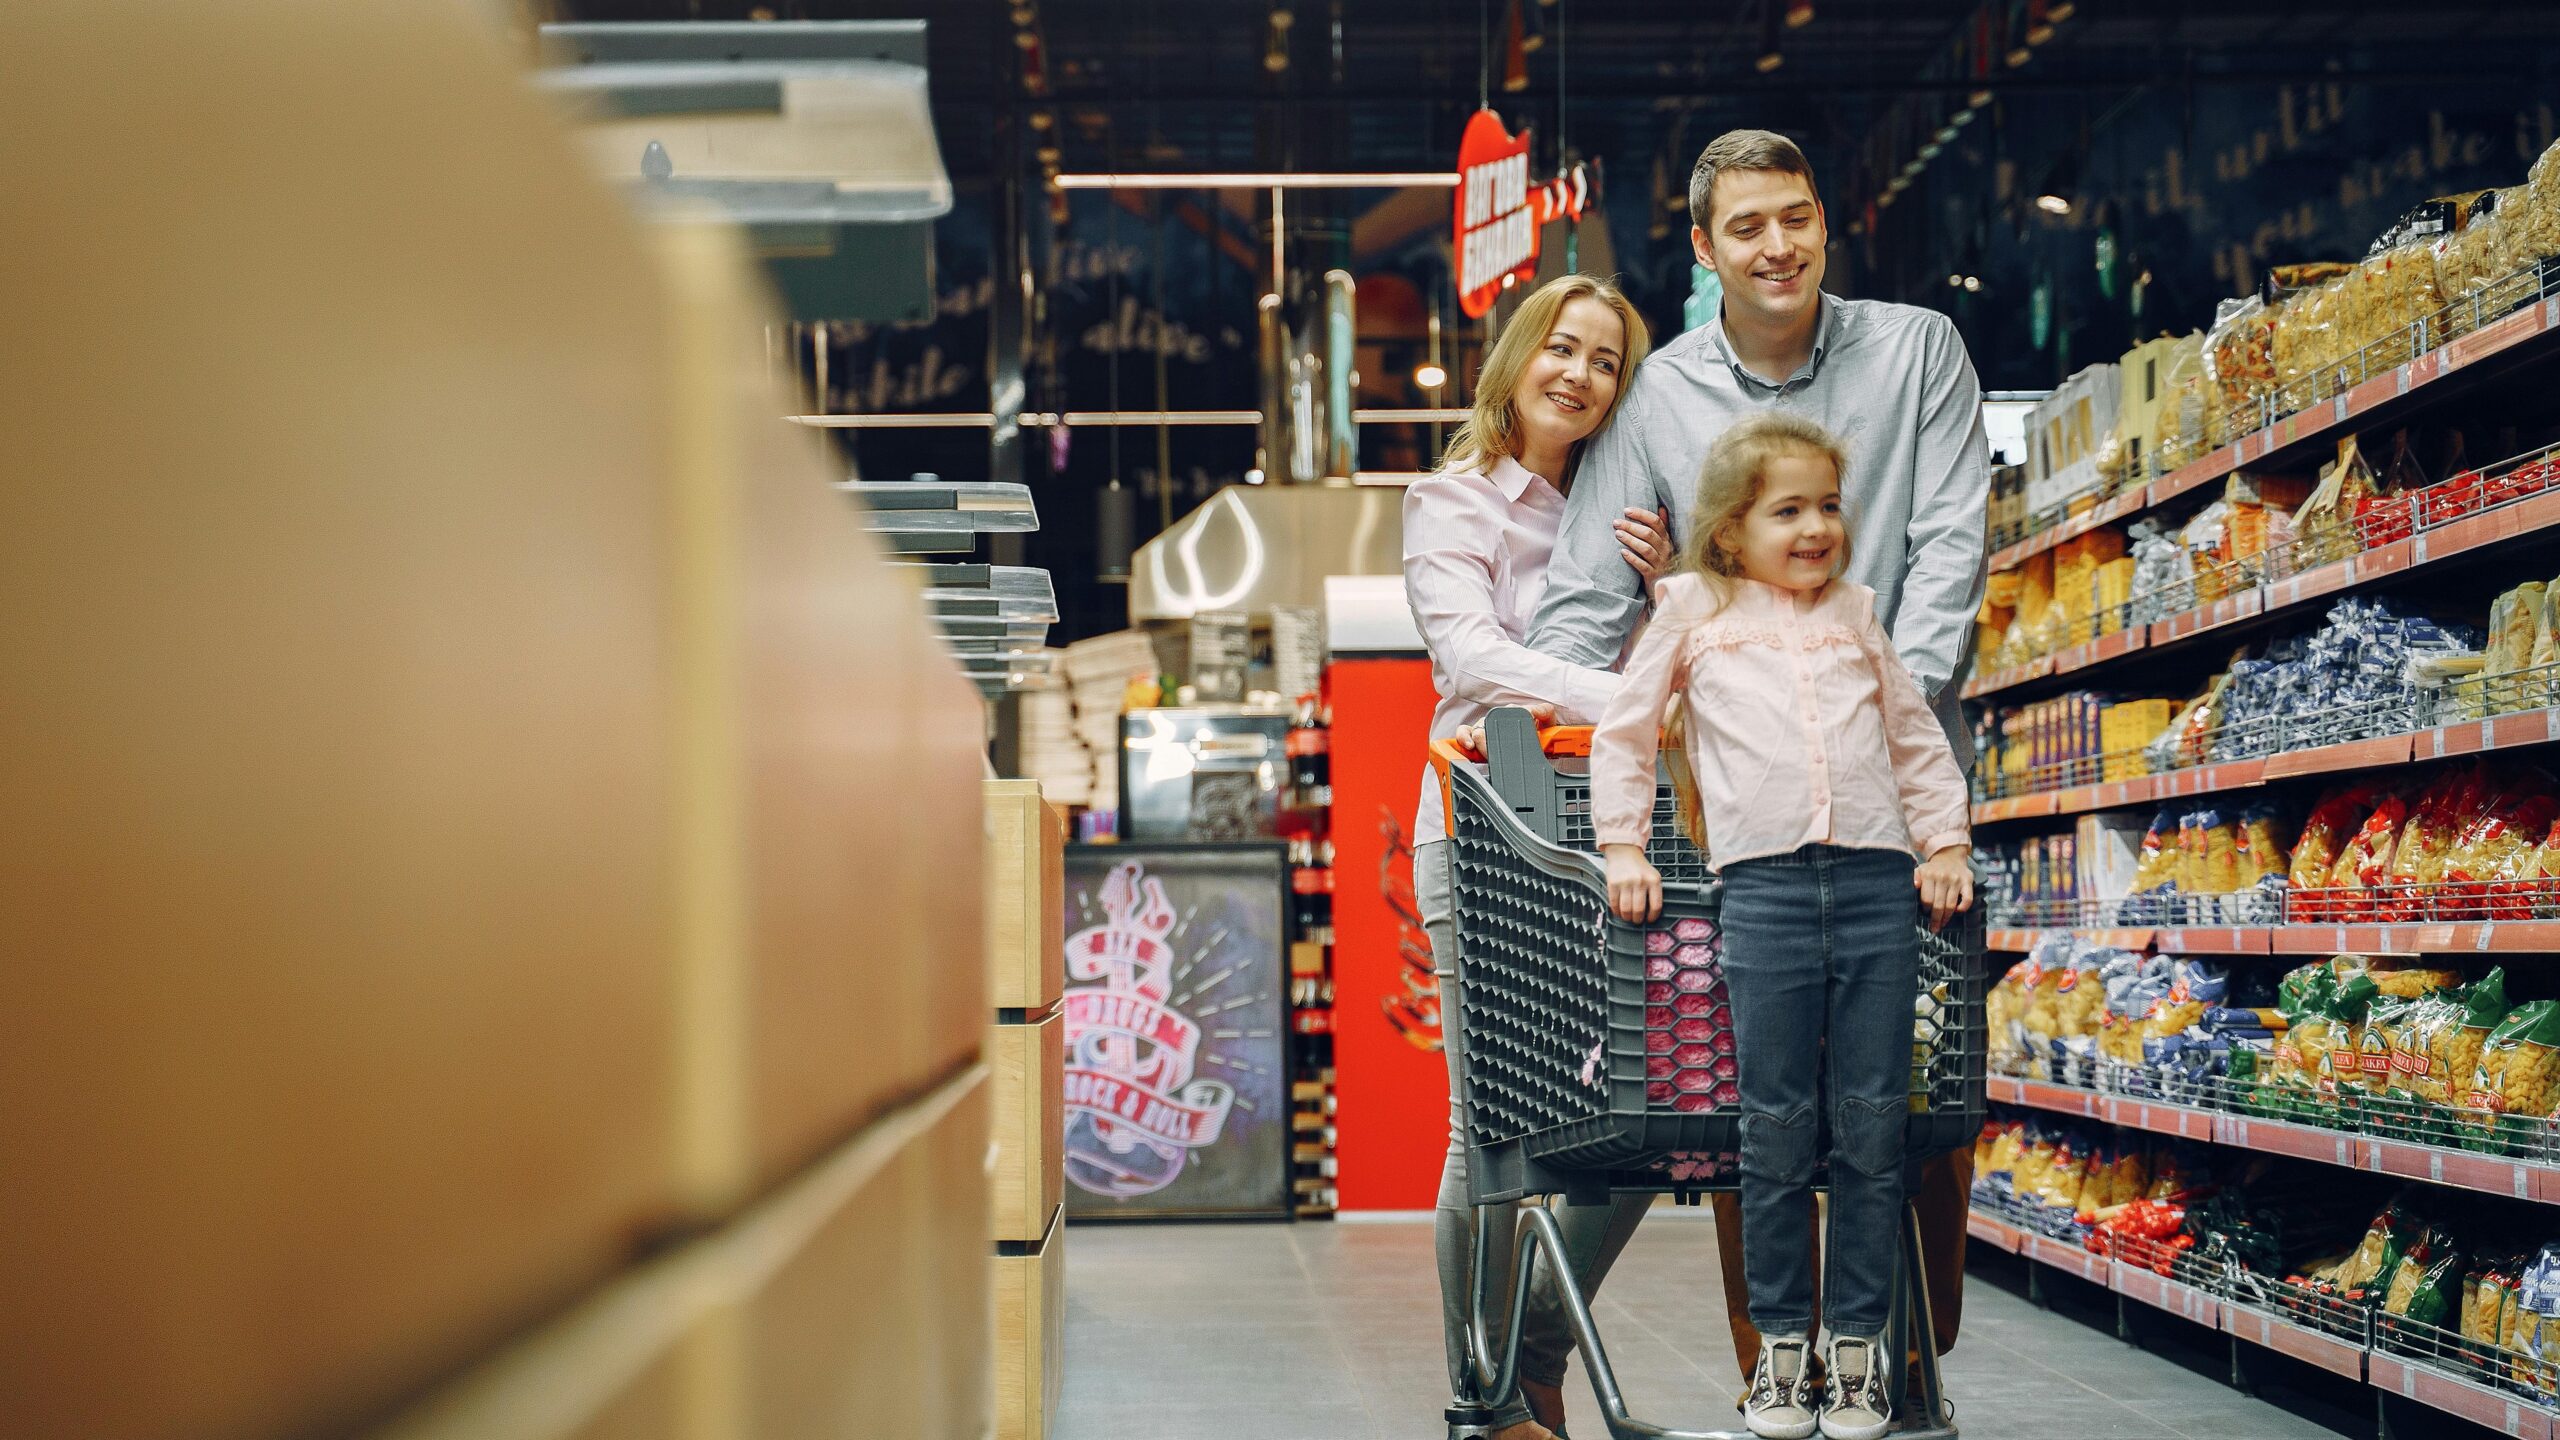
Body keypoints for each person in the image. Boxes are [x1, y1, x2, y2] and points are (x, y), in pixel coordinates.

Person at [1524, 127, 1990, 1409]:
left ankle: (1899, 1340)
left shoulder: (1915, 353)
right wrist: (1630, 658)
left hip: (1904, 794)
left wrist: (1879, 685)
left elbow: (1950, 543)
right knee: (1760, 1103)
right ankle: (1782, 1358)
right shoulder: (1660, 395)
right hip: (1734, 815)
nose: (1776, 245)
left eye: (1795, 217)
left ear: (1824, 221)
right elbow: (1576, 605)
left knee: (1916, 1102)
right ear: (1702, 248)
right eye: (1746, 226)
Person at [1589, 414, 1973, 1440]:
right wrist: (1622, 845)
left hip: (1876, 888)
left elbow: (1910, 735)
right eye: (1787, 509)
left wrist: (1944, 843)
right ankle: (1778, 1355)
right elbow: (1625, 731)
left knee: (1869, 1125)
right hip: (1756, 894)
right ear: (1728, 533)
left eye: (1828, 507)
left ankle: (1856, 1352)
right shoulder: (1689, 610)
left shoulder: (1856, 612)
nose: (1814, 528)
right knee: (1770, 1129)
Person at [1402, 272, 1669, 1440]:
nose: (1579, 374)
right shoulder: (1452, 500)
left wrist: (1663, 586)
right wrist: (1629, 694)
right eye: (1561, 348)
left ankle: (1540, 1357)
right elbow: (1470, 658)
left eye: (1606, 361)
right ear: (1517, 356)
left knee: (1646, 1114)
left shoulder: (1625, 514)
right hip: (1483, 828)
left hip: (1609, 833)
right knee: (1494, 1129)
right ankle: (1483, 1391)